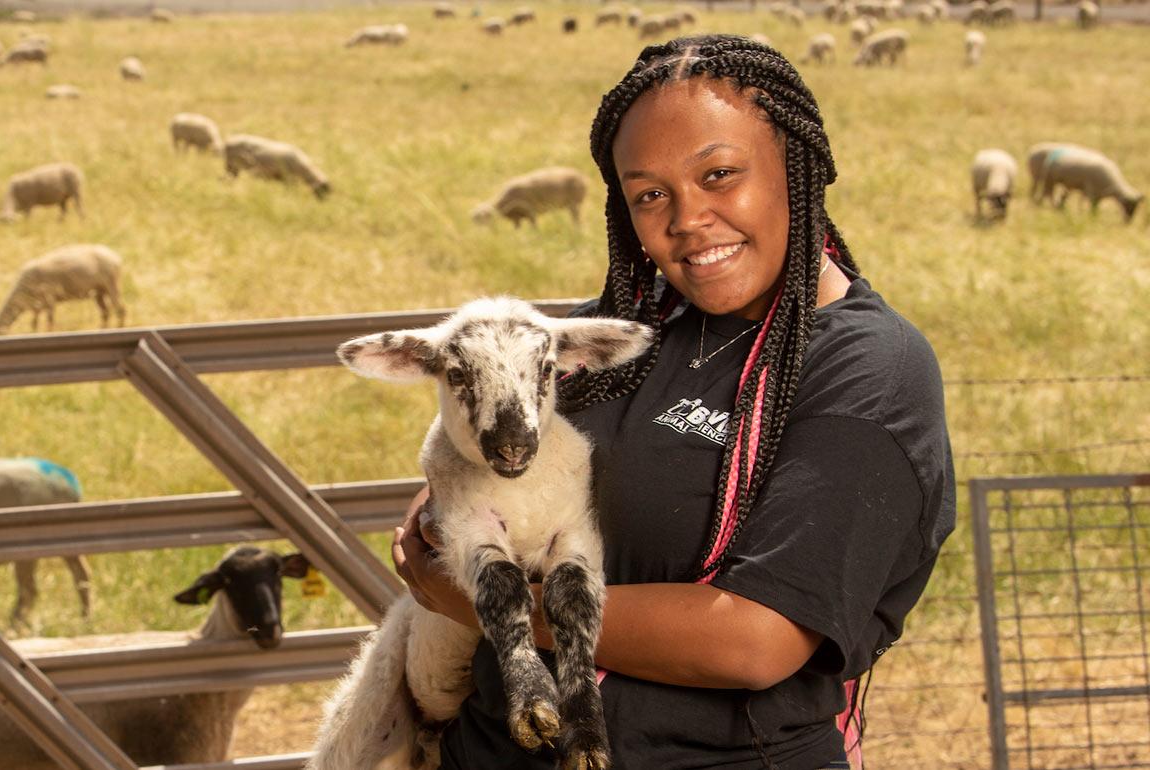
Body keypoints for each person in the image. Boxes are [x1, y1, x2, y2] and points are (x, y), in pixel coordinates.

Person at [389, 35, 956, 770]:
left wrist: (486, 606)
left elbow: (755, 639)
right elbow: (495, 471)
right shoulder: (626, 332)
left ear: (798, 169)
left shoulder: (869, 370)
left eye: (720, 174)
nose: (687, 218)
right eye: (650, 194)